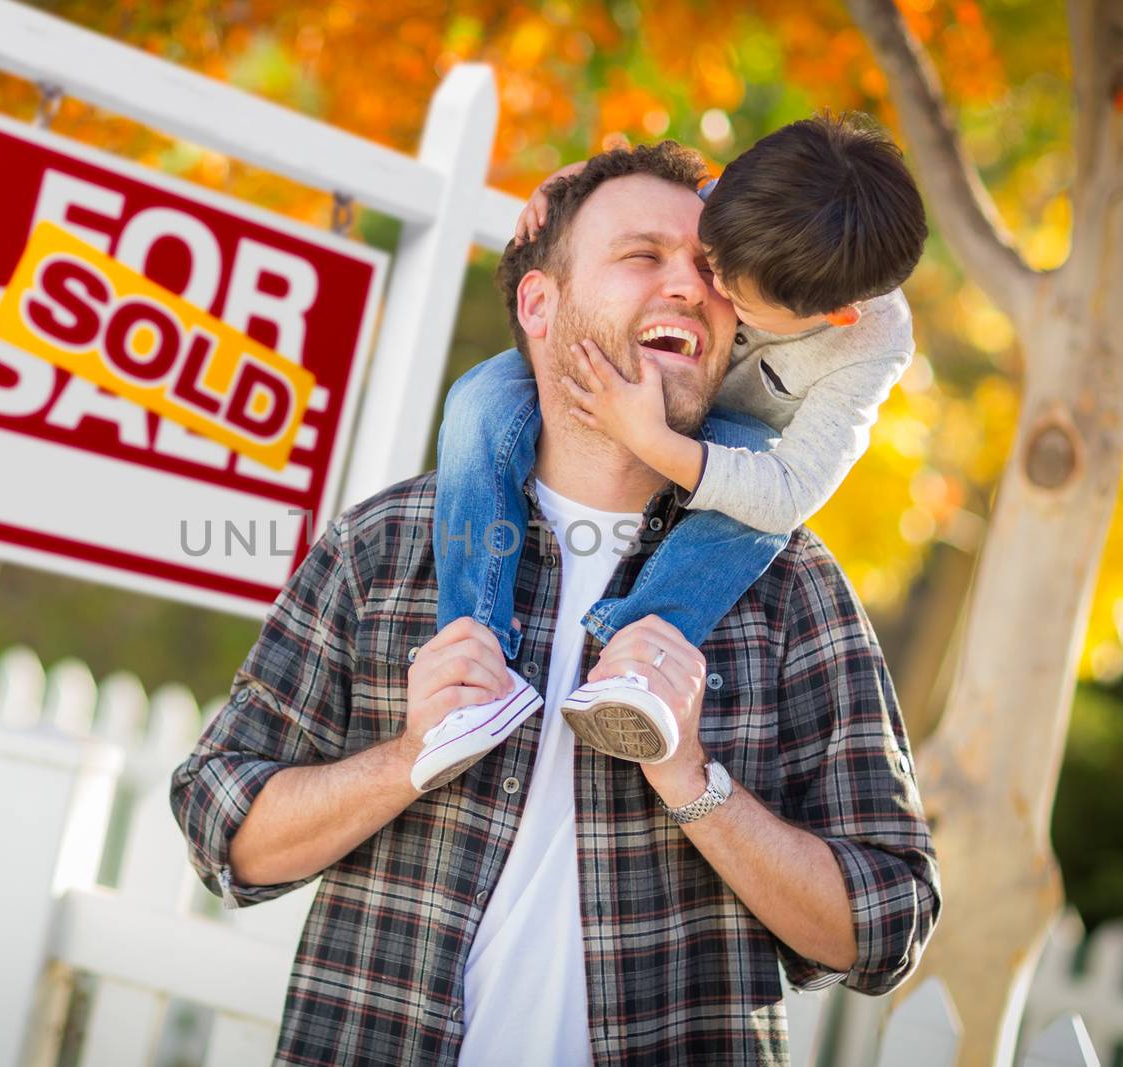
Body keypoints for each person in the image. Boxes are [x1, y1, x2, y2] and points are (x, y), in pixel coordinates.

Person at [171, 141, 939, 1066]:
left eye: (707, 269)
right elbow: (222, 826)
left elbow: (886, 924)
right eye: (641, 256)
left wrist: (694, 781)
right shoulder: (382, 547)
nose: (695, 287)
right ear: (539, 304)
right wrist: (408, 759)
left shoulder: (792, 589)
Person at [418, 113, 925, 792]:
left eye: (730, 289)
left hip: (728, 442)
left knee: (756, 515)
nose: (699, 285)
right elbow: (635, 184)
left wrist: (653, 441)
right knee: (478, 399)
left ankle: (639, 657)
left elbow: (789, 490)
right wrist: (564, 184)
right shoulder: (747, 200)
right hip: (628, 374)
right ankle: (472, 656)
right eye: (714, 249)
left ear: (834, 316)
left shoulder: (870, 342)